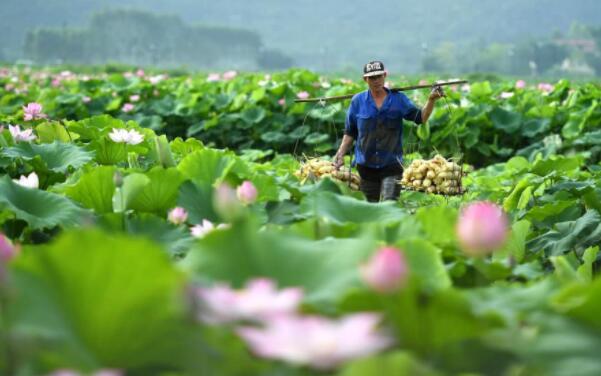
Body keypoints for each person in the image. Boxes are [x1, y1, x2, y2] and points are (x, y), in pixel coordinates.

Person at [333, 60, 444, 202]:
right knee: (369, 208)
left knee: (389, 203)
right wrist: (340, 153)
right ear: (365, 79)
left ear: (385, 75)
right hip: (366, 166)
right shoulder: (357, 101)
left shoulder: (398, 100)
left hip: (392, 164)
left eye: (379, 76)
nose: (376, 81)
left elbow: (421, 117)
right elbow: (350, 131)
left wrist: (431, 100)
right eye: (372, 78)